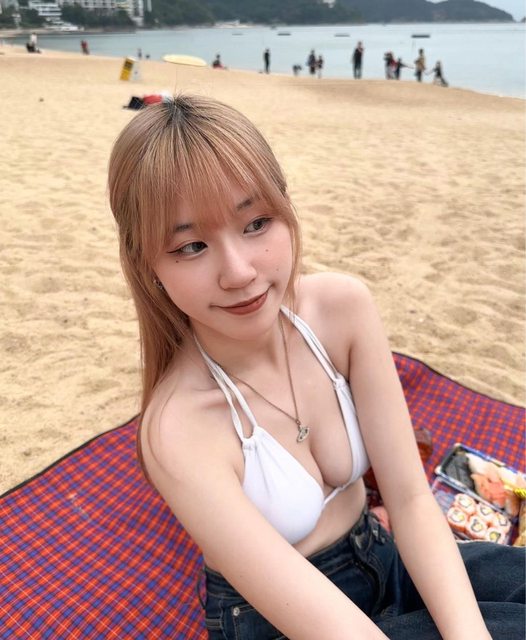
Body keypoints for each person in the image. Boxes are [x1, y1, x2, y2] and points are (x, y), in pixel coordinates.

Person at [108, 94, 525, 640]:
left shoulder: (341, 310)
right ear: (147, 264)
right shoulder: (177, 428)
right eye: (191, 247)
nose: (238, 272)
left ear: (285, 209)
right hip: (277, 622)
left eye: (256, 223)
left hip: (381, 554)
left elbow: (410, 498)